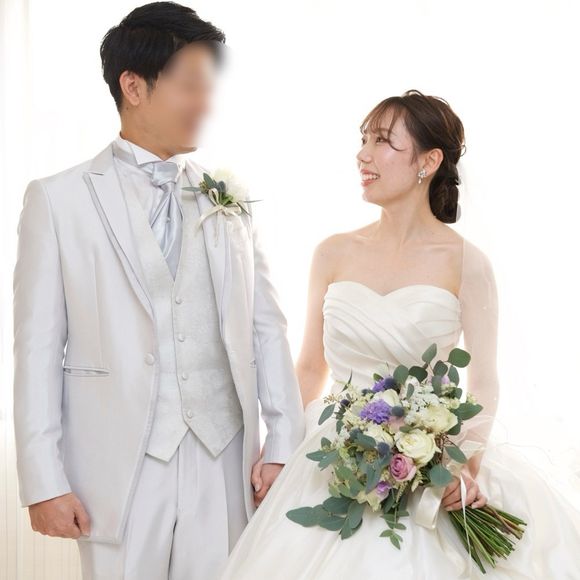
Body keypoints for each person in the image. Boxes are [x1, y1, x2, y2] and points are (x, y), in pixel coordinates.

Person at [220, 89, 580, 579]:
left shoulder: (466, 263)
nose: (363, 155)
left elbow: (485, 382)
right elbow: (309, 367)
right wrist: (279, 448)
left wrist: (460, 467)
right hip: (333, 454)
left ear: (428, 161)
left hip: (431, 458)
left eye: (383, 141)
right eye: (364, 140)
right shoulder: (332, 252)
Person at [12, 3, 304, 579]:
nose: (205, 104)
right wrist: (43, 480)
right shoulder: (58, 199)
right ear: (133, 86)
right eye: (190, 85)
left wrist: (283, 445)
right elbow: (37, 347)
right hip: (117, 464)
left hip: (224, 458)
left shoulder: (229, 200)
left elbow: (267, 329)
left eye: (208, 87)